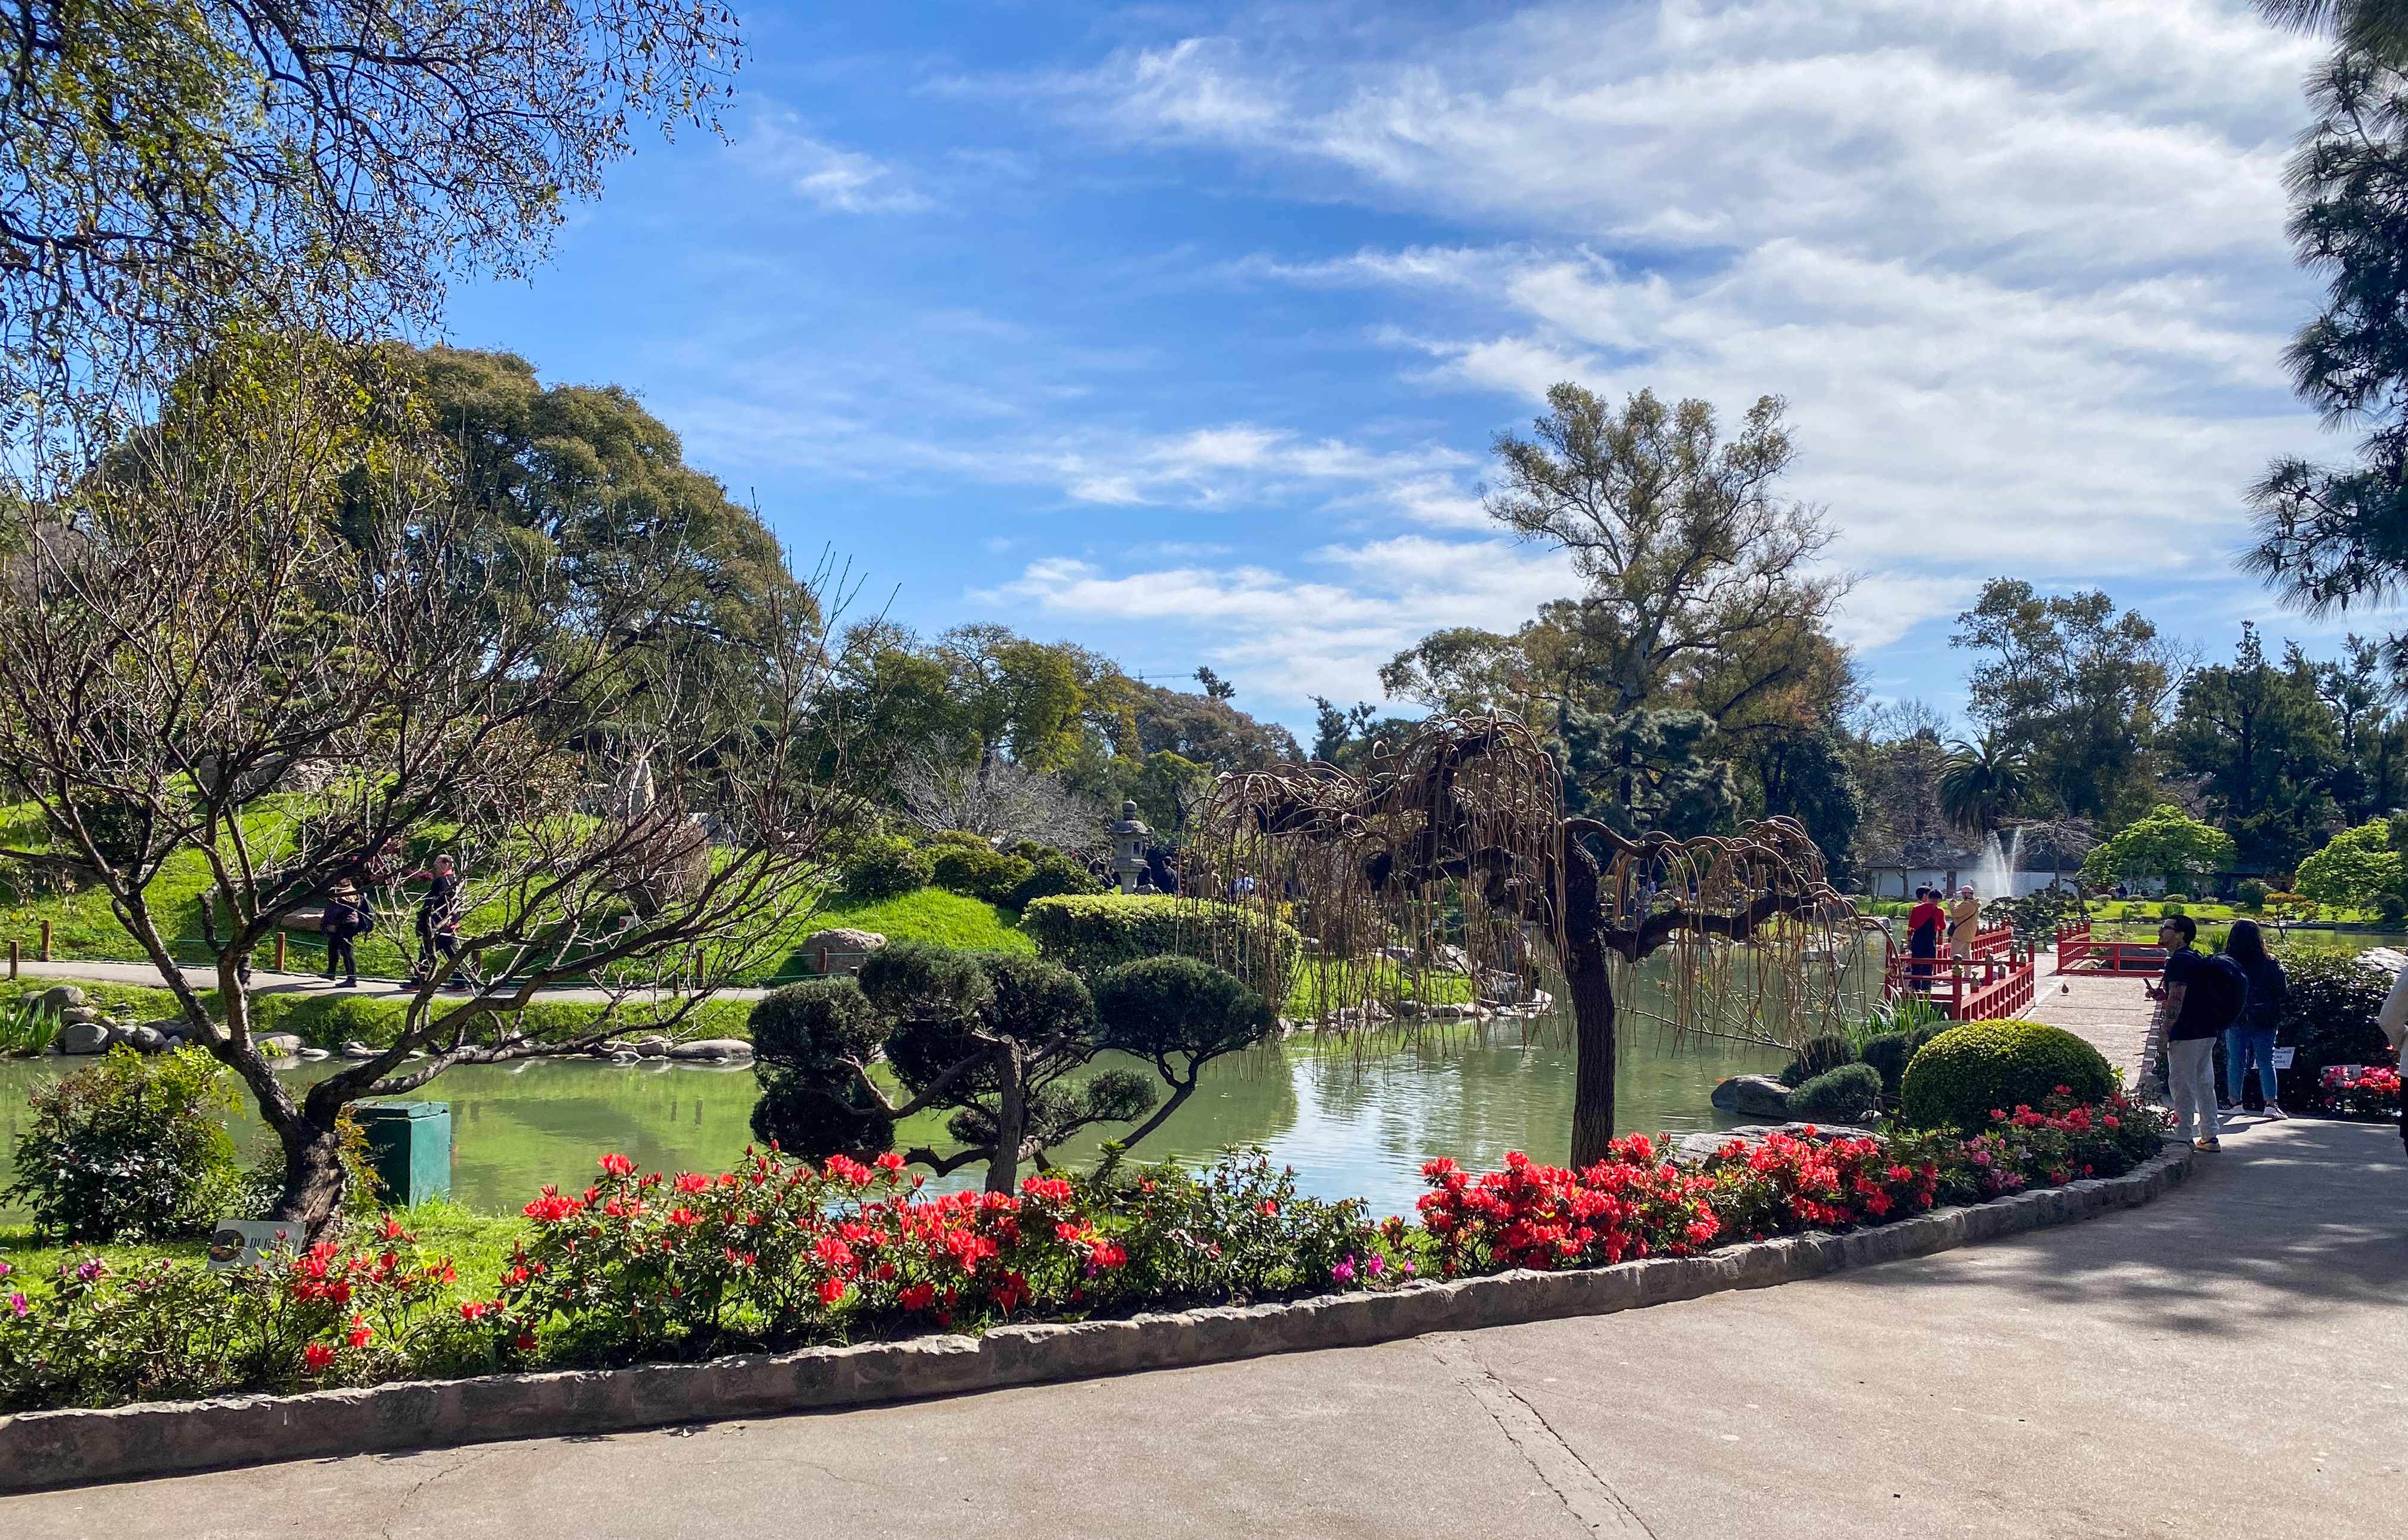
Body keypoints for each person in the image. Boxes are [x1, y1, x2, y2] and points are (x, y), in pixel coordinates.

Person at [2146, 915, 2247, 1151]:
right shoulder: (2194, 957)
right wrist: (2165, 996)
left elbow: (2178, 1000)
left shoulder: (2178, 962)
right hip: (2207, 1029)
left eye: (2166, 928)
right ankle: (2210, 1135)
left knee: (2182, 1083)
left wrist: (2164, 1032)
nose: (2160, 932)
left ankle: (2182, 1133)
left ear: (2180, 934)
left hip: (2187, 1031)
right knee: (2204, 1082)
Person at [2220, 918, 2287, 1118]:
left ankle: (2235, 1103)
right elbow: (2281, 990)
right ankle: (2270, 1104)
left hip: (2237, 1016)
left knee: (2236, 1061)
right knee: (2267, 1061)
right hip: (2265, 1017)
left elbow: (2221, 991)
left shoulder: (2227, 961)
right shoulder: (2270, 962)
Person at [403, 853, 471, 991]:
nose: (434, 869)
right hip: (445, 924)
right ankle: (460, 982)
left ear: (446, 864)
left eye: (437, 865)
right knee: (450, 955)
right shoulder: (454, 881)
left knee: (428, 953)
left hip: (438, 925)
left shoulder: (442, 882)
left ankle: (419, 981)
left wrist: (431, 923)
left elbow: (437, 904)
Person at [318, 877, 374, 989]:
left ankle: (351, 979)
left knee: (347, 951)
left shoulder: (336, 899)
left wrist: (324, 925)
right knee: (333, 945)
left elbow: (330, 913)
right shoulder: (356, 895)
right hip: (353, 923)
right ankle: (331, 972)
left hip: (343, 925)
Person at [1906, 886, 1944, 994]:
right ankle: (1927, 988)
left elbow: (1911, 927)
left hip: (1917, 940)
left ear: (1929, 897)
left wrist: (1909, 940)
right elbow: (1943, 926)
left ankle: (1916, 988)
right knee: (1929, 964)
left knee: (1916, 964)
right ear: (1938, 899)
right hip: (1930, 941)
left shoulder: (1916, 908)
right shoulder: (1939, 911)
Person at [1948, 884, 1982, 961]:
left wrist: (1952, 904)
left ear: (1966, 894)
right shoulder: (1974, 904)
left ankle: (1956, 972)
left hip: (1961, 933)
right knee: (1967, 956)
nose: (1962, 896)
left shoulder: (1968, 904)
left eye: (1963, 894)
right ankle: (1967, 973)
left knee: (1954, 955)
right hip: (1968, 933)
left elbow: (1955, 913)